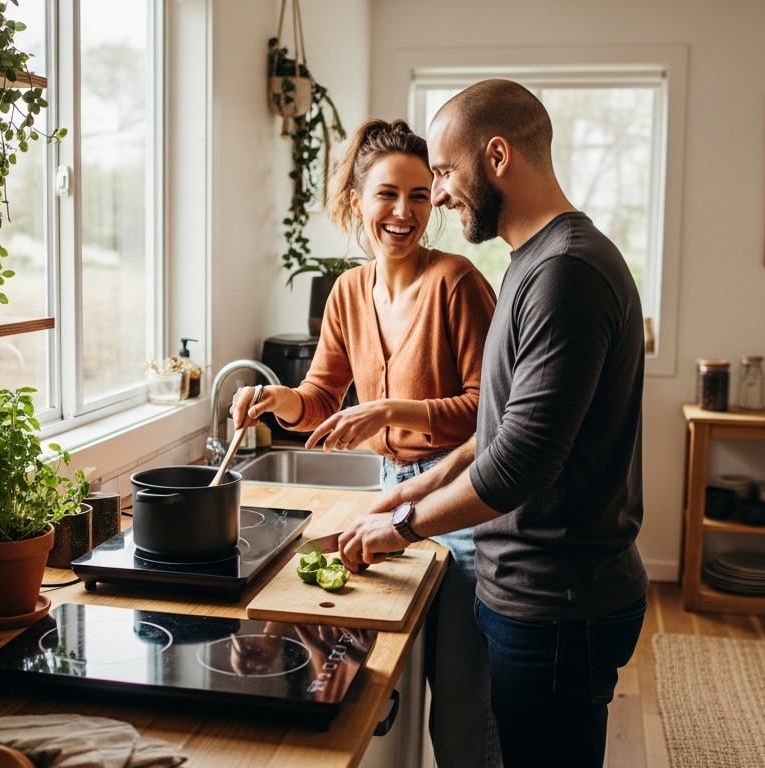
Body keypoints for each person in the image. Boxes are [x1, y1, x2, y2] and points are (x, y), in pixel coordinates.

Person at [336, 80, 648, 768]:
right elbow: (500, 430)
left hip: (559, 599)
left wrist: (402, 527)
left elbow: (523, 464)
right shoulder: (531, 265)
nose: (439, 195)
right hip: (536, 592)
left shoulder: (565, 271)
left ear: (497, 155)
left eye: (444, 173)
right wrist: (408, 493)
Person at [232, 118, 502, 768]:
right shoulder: (348, 292)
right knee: (373, 665)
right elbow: (319, 399)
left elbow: (493, 416)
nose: (404, 212)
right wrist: (274, 399)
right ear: (358, 201)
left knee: (462, 710)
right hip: (391, 493)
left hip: (464, 504)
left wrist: (387, 409)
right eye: (387, 194)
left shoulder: (458, 283)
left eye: (418, 194)